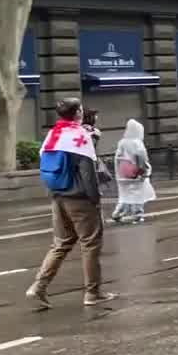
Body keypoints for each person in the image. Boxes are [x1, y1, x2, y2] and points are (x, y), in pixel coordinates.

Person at [27, 98, 117, 309]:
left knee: (61, 243)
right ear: (77, 112)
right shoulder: (80, 136)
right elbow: (87, 173)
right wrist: (95, 199)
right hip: (79, 198)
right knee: (91, 244)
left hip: (58, 195)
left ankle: (38, 286)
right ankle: (93, 293)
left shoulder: (52, 134)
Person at [111, 119, 155, 224]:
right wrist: (145, 170)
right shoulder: (137, 143)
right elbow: (142, 158)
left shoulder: (122, 142)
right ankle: (137, 215)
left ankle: (117, 213)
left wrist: (118, 172)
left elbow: (117, 158)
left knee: (125, 195)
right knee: (137, 194)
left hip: (122, 174)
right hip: (135, 173)